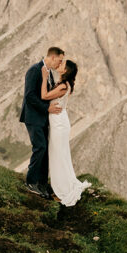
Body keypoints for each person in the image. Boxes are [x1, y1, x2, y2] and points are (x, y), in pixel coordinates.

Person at [41, 57, 90, 206]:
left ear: (66, 70)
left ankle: (63, 190)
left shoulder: (63, 86)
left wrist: (44, 78)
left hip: (59, 123)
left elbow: (44, 96)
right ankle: (63, 186)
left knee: (58, 155)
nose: (59, 65)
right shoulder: (63, 84)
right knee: (59, 154)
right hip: (58, 120)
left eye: (62, 64)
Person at [19, 46, 65, 198]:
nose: (60, 64)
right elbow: (30, 96)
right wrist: (47, 109)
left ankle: (42, 184)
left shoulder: (49, 73)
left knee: (45, 150)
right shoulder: (34, 70)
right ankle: (31, 182)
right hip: (33, 117)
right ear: (52, 57)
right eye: (59, 60)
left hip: (43, 118)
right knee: (40, 147)